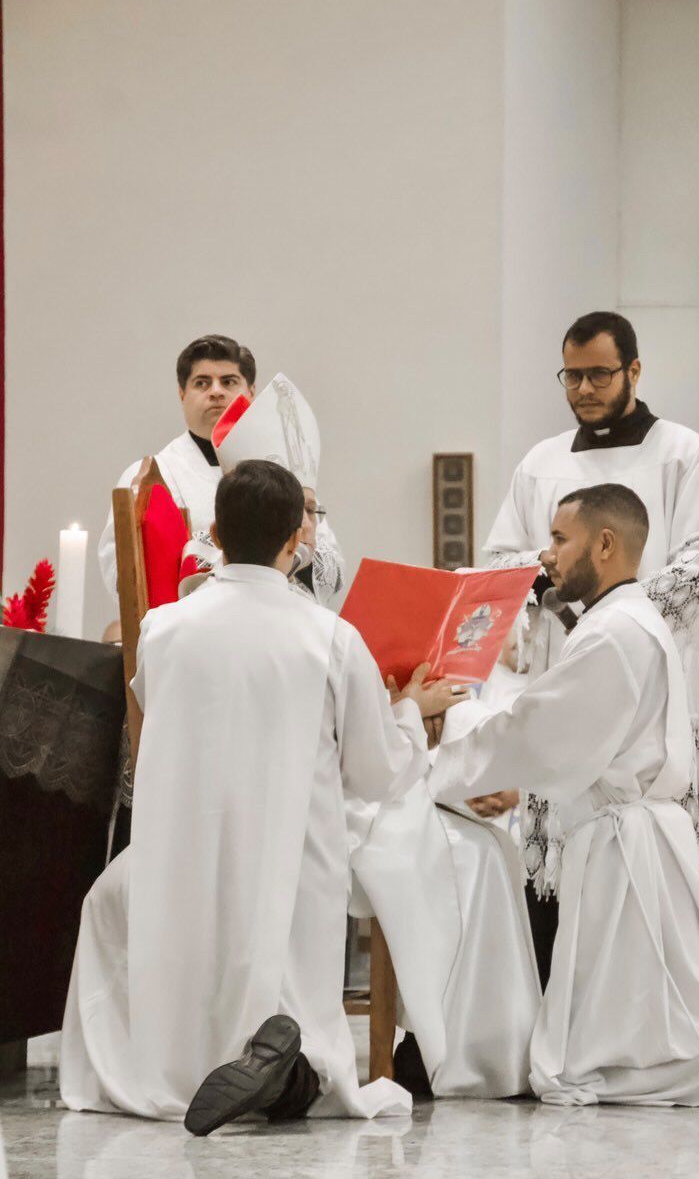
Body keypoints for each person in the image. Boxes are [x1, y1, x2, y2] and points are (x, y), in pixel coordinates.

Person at [61, 460, 463, 1129]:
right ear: (297, 539)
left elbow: (157, 721)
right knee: (298, 1008)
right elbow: (377, 772)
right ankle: (286, 1074)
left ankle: (177, 1061)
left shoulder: (162, 629)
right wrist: (410, 713)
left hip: (179, 860)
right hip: (289, 870)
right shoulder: (330, 638)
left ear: (215, 534)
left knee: (110, 908)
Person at [428, 484, 699, 1107]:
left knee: (639, 1030)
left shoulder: (614, 632)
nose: (547, 555)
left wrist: (442, 732)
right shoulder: (625, 620)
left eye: (560, 539)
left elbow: (540, 730)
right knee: (665, 1002)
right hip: (630, 833)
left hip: (624, 839)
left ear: (605, 544)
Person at [483, 311, 699, 976]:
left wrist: (611, 619)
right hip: (563, 684)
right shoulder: (541, 463)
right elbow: (501, 561)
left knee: (656, 878)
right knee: (555, 874)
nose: (584, 389)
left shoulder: (683, 453)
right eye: (572, 376)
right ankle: (555, 1005)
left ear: (634, 371)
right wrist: (558, 592)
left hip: (651, 693)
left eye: (598, 374)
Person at [98, 335, 344, 606]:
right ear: (182, 394)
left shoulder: (285, 470)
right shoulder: (154, 475)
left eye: (228, 382)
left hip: (280, 617)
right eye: (202, 383)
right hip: (193, 622)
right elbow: (124, 574)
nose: (216, 391)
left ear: (251, 392)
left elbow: (329, 567)